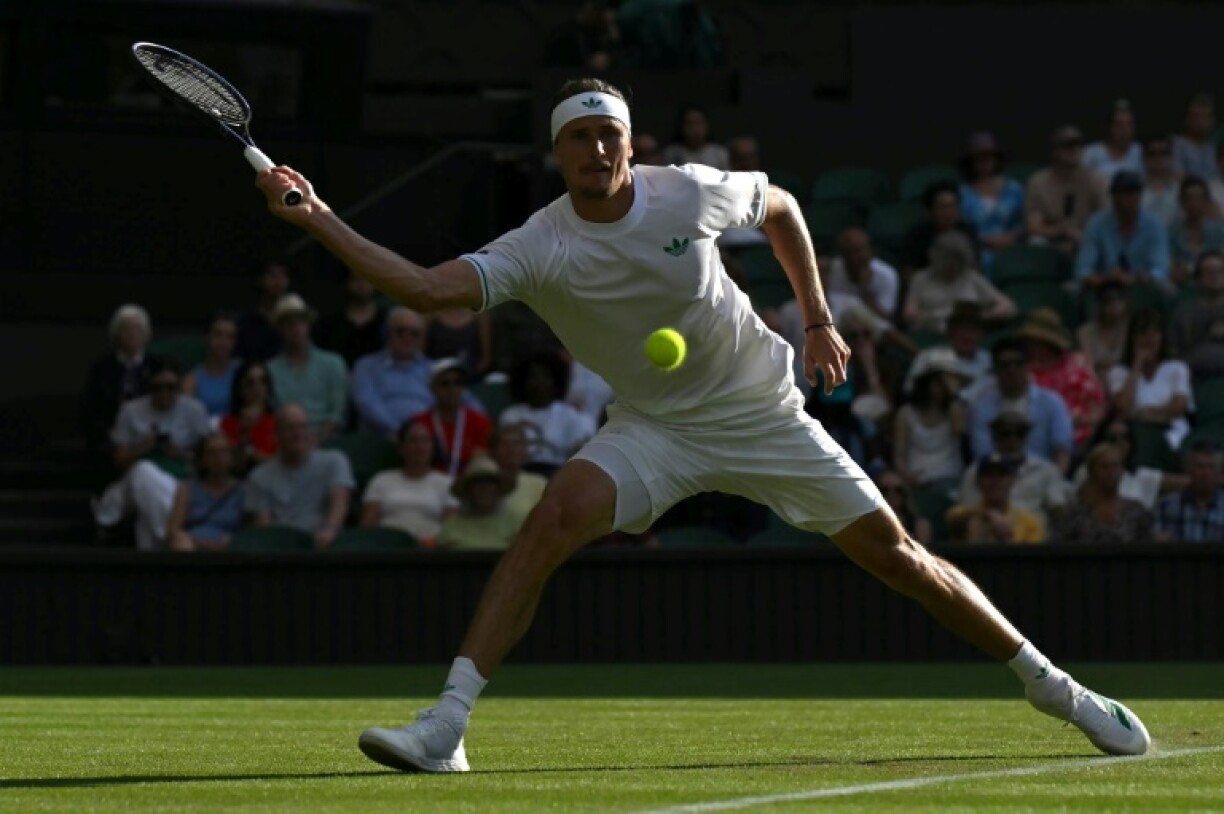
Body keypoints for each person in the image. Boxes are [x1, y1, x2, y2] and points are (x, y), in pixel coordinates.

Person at [257, 76, 1148, 773]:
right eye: (580, 136)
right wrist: (320, 219)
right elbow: (421, 289)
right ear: (558, 154)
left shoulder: (686, 194)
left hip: (761, 409)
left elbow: (787, 208)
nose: (598, 147)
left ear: (630, 145)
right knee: (549, 523)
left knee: (899, 559)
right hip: (654, 425)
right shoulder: (539, 244)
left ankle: (1057, 689)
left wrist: (819, 318)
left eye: (610, 133)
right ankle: (446, 725)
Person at [92, 357, 212, 549]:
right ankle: (172, 538)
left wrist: (178, 453)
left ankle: (156, 551)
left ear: (179, 387)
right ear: (149, 386)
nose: (164, 394)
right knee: (143, 471)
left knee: (146, 519)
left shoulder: (194, 410)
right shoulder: (131, 410)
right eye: (158, 388)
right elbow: (119, 460)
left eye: (171, 387)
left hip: (179, 482)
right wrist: (144, 446)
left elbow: (209, 458)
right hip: (134, 481)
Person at [244, 403, 355, 549]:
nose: (298, 433)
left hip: (324, 545)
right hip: (280, 550)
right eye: (290, 428)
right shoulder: (259, 476)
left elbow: (339, 503)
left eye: (302, 426)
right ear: (276, 434)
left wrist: (329, 531)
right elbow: (263, 524)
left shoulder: (335, 461)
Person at [968, 338, 1074, 473]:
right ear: (995, 369)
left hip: (1043, 478)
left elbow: (1062, 451)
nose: (1012, 370)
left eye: (1018, 363)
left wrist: (1053, 482)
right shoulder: (981, 408)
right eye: (1005, 365)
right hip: (998, 478)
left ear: (1028, 366)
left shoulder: (1052, 403)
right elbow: (983, 455)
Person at [81, 303, 159, 482]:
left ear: (146, 334)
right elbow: (90, 410)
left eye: (137, 329)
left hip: (148, 435)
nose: (132, 334)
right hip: (111, 437)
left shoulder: (157, 367)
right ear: (116, 334)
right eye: (126, 329)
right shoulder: (101, 369)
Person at [958, 411, 1071, 531]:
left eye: (1020, 433)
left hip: (1034, 540)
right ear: (993, 435)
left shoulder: (1046, 470)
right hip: (989, 538)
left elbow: (1059, 511)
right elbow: (965, 512)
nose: (1012, 439)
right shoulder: (975, 471)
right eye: (1005, 433)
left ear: (1027, 436)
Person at [1106, 309, 1193, 453]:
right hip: (1134, 435)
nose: (1149, 339)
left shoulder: (1177, 368)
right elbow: (1122, 407)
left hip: (1172, 432)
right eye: (1143, 333)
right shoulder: (1118, 372)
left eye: (1155, 333)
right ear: (1133, 338)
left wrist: (1141, 414)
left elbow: (1178, 407)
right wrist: (1137, 365)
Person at [1018, 308, 1106, 449]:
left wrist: (1079, 421)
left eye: (1039, 343)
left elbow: (1098, 408)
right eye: (1031, 342)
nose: (1034, 347)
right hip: (1042, 439)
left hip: (1086, 436)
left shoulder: (1078, 363)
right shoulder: (1024, 372)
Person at [266, 294, 349, 440]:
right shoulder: (270, 369)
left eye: (301, 322)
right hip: (287, 442)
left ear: (308, 325)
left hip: (328, 441)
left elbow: (338, 414)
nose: (296, 328)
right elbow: (275, 413)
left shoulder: (334, 363)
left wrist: (316, 440)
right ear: (280, 330)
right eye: (289, 324)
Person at [498, 353, 596, 475]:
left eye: (546, 376)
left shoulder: (570, 416)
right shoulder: (510, 415)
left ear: (556, 380)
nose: (540, 382)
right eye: (533, 377)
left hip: (557, 473)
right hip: (519, 474)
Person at [361, 421, 456, 545]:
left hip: (430, 550)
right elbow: (368, 526)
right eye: (413, 441)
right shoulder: (381, 480)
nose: (420, 446)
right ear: (401, 448)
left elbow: (451, 529)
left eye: (426, 440)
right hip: (388, 549)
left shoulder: (447, 483)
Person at [1074, 171, 1170, 293]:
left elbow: (1161, 269)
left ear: (1140, 196)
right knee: (1072, 288)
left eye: (1132, 194)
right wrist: (1105, 279)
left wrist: (1137, 278)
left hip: (1141, 285)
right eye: (1122, 194)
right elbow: (1083, 270)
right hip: (1104, 287)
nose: (1127, 200)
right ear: (1113, 197)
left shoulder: (1155, 225)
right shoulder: (1096, 224)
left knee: (1167, 289)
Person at [902, 231, 1015, 333]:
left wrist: (983, 317)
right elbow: (909, 314)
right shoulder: (920, 278)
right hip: (933, 333)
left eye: (958, 263)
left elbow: (1007, 306)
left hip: (967, 333)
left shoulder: (971, 277)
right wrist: (932, 317)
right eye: (949, 262)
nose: (953, 267)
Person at [1070, 418, 1188, 511]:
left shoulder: (1140, 476)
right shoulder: (1087, 471)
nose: (1120, 442)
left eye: (1125, 437)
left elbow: (1189, 483)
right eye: (1113, 438)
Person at [352, 307, 436, 437]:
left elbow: (463, 400)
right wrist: (402, 432)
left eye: (414, 333)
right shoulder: (366, 366)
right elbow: (366, 404)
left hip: (426, 439)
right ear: (388, 333)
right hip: (381, 437)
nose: (407, 338)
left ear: (422, 339)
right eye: (400, 331)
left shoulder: (433, 369)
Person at [1025, 126, 1108, 255]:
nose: (1074, 150)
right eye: (1068, 146)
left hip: (1087, 240)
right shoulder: (1039, 182)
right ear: (1054, 151)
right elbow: (1034, 228)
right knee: (1036, 242)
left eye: (1078, 145)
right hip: (1053, 242)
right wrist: (1064, 231)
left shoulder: (1096, 180)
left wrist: (1085, 236)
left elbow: (1105, 221)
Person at [1055, 442, 1154, 545]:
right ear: (1092, 471)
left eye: (1115, 466)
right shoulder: (1075, 512)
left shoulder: (1137, 512)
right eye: (1104, 466)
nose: (1111, 472)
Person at [411, 358, 494, 478]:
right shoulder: (418, 423)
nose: (452, 389)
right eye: (445, 384)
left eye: (458, 383)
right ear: (432, 388)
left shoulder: (481, 423)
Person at [892, 360, 967, 491]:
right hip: (917, 481)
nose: (940, 387)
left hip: (950, 480)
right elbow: (899, 455)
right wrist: (907, 477)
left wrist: (953, 395)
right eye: (936, 381)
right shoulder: (906, 413)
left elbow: (959, 429)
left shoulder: (956, 409)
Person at [958, 131, 1025, 272]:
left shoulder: (1015, 189)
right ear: (971, 160)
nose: (985, 160)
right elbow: (960, 227)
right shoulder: (962, 193)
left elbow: (1025, 222)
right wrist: (984, 240)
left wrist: (1011, 238)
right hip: (978, 252)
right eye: (980, 157)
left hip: (1013, 248)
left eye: (989, 155)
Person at [165, 433, 244, 552]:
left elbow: (250, 529)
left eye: (224, 451)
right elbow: (173, 529)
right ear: (203, 459)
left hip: (228, 548)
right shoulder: (187, 488)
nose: (219, 458)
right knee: (179, 541)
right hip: (192, 544)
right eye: (212, 453)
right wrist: (199, 543)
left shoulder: (243, 491)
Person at [946, 453, 1046, 545]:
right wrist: (989, 515)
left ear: (1012, 480)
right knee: (975, 523)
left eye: (1001, 475)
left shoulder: (1029, 522)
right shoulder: (962, 515)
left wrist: (1007, 536)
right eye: (988, 475)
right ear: (977, 481)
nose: (994, 481)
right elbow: (953, 518)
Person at [904, 301, 992, 394]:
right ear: (950, 332)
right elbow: (909, 390)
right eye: (962, 329)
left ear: (981, 334)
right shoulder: (929, 356)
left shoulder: (989, 360)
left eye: (973, 331)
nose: (967, 336)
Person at [436, 455, 521, 550]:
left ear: (498, 488)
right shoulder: (452, 526)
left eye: (489, 482)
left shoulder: (516, 524)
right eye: (478, 483)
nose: (484, 489)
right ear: (468, 490)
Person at [900, 181, 979, 277]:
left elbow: (975, 268)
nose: (948, 213)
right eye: (942, 207)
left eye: (952, 206)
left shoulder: (968, 232)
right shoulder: (916, 235)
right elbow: (908, 272)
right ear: (930, 210)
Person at [314, 268, 388, 368]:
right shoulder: (330, 323)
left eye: (367, 279)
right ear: (347, 283)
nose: (362, 285)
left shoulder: (387, 321)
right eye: (356, 279)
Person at [1168, 251, 1224, 381]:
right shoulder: (1183, 312)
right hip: (1192, 378)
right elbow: (1173, 353)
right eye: (1209, 271)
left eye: (1220, 271)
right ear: (1198, 278)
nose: (1215, 276)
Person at [1154, 440, 1224, 543]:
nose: (1205, 474)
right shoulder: (1166, 505)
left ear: (1220, 473)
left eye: (1211, 467)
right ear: (1188, 469)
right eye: (1199, 466)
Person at [824, 228, 900, 321]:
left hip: (870, 328)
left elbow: (885, 318)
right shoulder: (831, 270)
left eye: (861, 250)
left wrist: (865, 291)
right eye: (850, 251)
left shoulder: (887, 275)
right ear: (843, 254)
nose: (857, 256)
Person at [219, 360, 278, 475]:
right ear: (240, 388)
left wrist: (253, 456)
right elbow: (231, 467)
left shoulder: (279, 421)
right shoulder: (227, 423)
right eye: (250, 382)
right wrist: (244, 431)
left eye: (263, 381)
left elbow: (285, 462)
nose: (257, 387)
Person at [183, 311, 241, 418]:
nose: (223, 342)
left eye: (229, 337)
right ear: (207, 337)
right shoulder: (192, 380)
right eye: (218, 335)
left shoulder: (243, 371)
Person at [489, 423, 548, 529]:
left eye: (516, 444)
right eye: (505, 444)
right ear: (494, 451)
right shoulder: (484, 481)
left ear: (524, 451)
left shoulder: (538, 483)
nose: (512, 450)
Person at [1168, 177, 1224, 284]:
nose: (1194, 203)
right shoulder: (1172, 232)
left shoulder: (1218, 231)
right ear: (1182, 201)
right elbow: (1169, 262)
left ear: (1207, 201)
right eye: (1189, 198)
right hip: (1181, 285)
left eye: (1199, 198)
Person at [235, 260, 291, 362]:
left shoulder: (295, 318)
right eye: (273, 275)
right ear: (260, 280)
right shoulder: (246, 322)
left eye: (283, 275)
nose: (279, 280)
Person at [1076, 282, 1130, 383]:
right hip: (1095, 382)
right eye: (1109, 301)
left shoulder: (1131, 330)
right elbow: (1088, 365)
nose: (1115, 305)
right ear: (1099, 304)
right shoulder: (1085, 332)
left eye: (1119, 300)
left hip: (1124, 384)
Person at [1081, 99, 1142, 183]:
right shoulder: (1090, 154)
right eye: (1119, 125)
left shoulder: (1141, 152)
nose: (1124, 130)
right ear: (1110, 127)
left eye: (1128, 125)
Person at [425, 307, 493, 380]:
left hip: (472, 376)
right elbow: (420, 352)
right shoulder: (430, 316)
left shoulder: (480, 316)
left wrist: (473, 374)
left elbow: (486, 359)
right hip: (436, 376)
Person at [873, 468, 932, 546]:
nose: (892, 495)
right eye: (885, 491)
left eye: (898, 490)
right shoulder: (869, 525)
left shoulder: (920, 525)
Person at [662, 105, 728, 170]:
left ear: (707, 125)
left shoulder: (720, 153)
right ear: (681, 127)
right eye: (690, 124)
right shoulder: (671, 153)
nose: (695, 129)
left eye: (699, 123)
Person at [1172, 92, 1218, 183]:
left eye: (1205, 118)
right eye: (1196, 117)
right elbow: (1177, 176)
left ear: (1212, 121)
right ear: (1186, 120)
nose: (1200, 123)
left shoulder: (1213, 148)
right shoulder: (1178, 144)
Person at [1139, 135, 1182, 229]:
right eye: (1152, 153)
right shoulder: (1134, 189)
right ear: (1144, 157)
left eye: (1163, 153)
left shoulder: (1181, 188)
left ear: (1171, 157)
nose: (1158, 158)